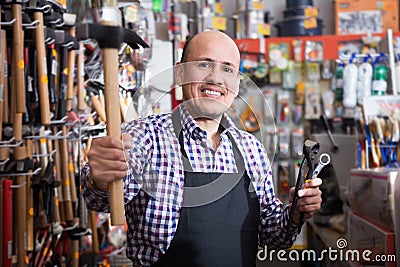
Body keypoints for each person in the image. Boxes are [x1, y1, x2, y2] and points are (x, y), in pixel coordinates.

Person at [81, 30, 323, 267]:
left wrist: (296, 213)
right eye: (204, 65)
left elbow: (273, 237)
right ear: (179, 72)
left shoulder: (251, 149)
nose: (216, 79)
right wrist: (100, 180)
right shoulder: (144, 138)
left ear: (237, 83)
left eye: (227, 69)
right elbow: (100, 200)